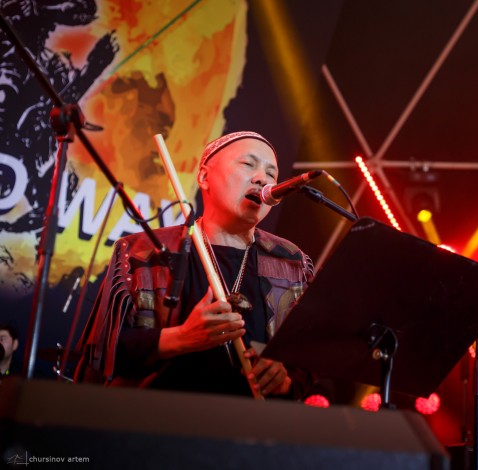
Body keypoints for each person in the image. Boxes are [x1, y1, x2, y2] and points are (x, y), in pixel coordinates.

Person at [75, 131, 315, 399]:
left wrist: (284, 381)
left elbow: (309, 362)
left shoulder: (291, 262)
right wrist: (181, 338)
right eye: (248, 164)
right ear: (203, 177)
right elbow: (103, 351)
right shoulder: (144, 251)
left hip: (250, 422)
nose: (263, 178)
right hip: (157, 418)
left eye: (272, 174)